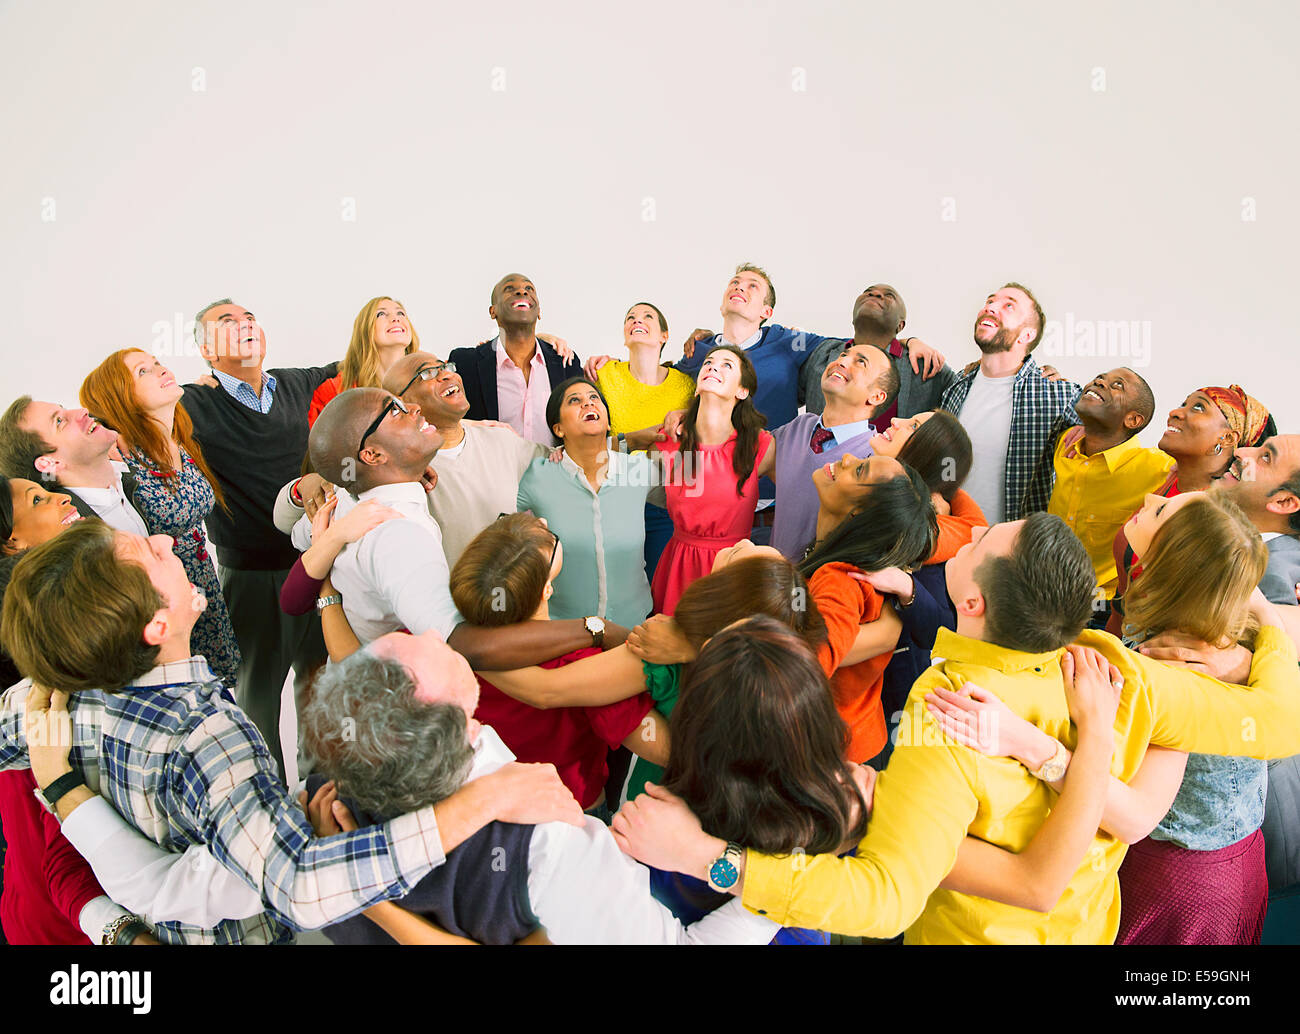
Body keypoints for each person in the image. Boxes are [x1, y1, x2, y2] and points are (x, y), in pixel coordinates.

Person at [609, 510, 1300, 944]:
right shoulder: (1123, 672)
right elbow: (1279, 724)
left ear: (970, 598)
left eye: (986, 539)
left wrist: (710, 858)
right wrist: (1259, 638)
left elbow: (883, 900)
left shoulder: (944, 718)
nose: (971, 532)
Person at [0, 520, 584, 943]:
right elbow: (301, 886)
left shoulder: (51, 689)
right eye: (147, 554)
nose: (165, 540)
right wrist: (488, 798)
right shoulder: (207, 736)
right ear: (156, 626)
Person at [300, 628, 783, 945]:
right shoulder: (548, 847)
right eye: (427, 651)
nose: (429, 632)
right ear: (466, 730)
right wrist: (777, 892)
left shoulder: (327, 792)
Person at [299, 387, 618, 668]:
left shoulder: (342, 497)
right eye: (395, 410)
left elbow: (300, 536)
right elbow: (462, 644)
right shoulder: (399, 535)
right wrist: (596, 630)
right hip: (392, 711)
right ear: (372, 454)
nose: (414, 408)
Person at [181, 298, 335, 778]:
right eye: (227, 322)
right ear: (208, 350)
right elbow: (123, 408)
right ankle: (266, 801)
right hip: (250, 575)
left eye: (250, 318)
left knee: (319, 685)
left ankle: (319, 795)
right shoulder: (193, 401)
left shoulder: (294, 383)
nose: (245, 323)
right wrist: (172, 392)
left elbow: (364, 359)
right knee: (256, 695)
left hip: (315, 562)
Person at [449, 513, 667, 811]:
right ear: (546, 590)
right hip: (571, 808)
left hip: (480, 803)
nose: (540, 519)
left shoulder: (436, 639)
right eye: (547, 542)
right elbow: (662, 748)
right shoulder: (584, 667)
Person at [79, 349, 241, 684]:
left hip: (203, 589)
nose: (161, 369)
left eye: (156, 363)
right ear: (121, 397)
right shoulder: (120, 456)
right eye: (143, 372)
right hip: (159, 603)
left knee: (220, 690)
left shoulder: (179, 443)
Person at [516, 378, 657, 629]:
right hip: (564, 632)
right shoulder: (538, 475)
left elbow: (701, 480)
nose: (588, 403)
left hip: (633, 628)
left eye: (594, 398)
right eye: (575, 400)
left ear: (608, 421)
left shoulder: (640, 470)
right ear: (558, 429)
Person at [382, 351, 544, 568]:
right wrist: (319, 478)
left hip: (510, 596)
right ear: (400, 403)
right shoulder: (394, 472)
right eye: (428, 373)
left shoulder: (502, 439)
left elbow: (569, 462)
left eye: (446, 367)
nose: (447, 375)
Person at [939, 283, 1082, 523]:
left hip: (1013, 551)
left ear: (1027, 335)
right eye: (990, 301)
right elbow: (945, 460)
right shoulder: (955, 388)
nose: (991, 307)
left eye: (1008, 306)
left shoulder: (1059, 396)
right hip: (952, 539)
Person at [651, 345, 775, 613]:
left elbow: (797, 495)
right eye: (709, 361)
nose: (713, 366)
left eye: (727, 365)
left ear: (742, 391)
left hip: (732, 568)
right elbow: (615, 469)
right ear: (696, 387)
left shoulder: (760, 445)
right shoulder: (669, 440)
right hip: (678, 565)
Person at [1045, 367, 1173, 607]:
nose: (1100, 382)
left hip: (1099, 610)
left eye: (1118, 385)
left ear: (1133, 419)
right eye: (1100, 378)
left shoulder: (1158, 467)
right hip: (1041, 595)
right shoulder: (1066, 444)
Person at [769, 341, 897, 561]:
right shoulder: (799, 427)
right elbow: (743, 452)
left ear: (876, 397)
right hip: (770, 580)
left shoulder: (874, 459)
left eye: (860, 362)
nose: (841, 361)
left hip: (820, 586)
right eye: (843, 355)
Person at [593, 302, 696, 576]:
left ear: (664, 335)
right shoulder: (605, 375)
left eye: (647, 316)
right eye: (630, 317)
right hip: (614, 499)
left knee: (657, 586)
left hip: (664, 503)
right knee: (613, 584)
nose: (636, 320)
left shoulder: (686, 384)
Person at [449, 273, 582, 444]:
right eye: (509, 289)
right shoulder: (465, 363)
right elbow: (445, 421)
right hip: (490, 469)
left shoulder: (565, 362)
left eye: (529, 288)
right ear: (493, 311)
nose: (522, 291)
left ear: (539, 311)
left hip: (555, 468)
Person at [801, 283, 956, 425]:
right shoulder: (822, 353)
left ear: (900, 325)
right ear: (853, 318)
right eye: (868, 292)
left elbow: (961, 404)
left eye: (889, 296)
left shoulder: (926, 366)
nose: (875, 295)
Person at [0, 397, 151, 535]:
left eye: (64, 409)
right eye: (59, 421)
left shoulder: (132, 462)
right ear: (50, 463)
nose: (82, 411)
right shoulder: (77, 532)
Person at [308, 296, 420, 426]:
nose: (396, 318)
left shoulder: (432, 380)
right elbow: (314, 441)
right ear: (365, 330)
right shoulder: (336, 390)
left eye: (400, 313)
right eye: (381, 314)